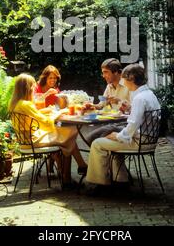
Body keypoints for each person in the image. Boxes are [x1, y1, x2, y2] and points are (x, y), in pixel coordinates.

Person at [85, 64, 160, 194]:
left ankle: (100, 184)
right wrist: (130, 109)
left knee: (98, 144)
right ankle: (121, 181)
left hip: (139, 142)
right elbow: (141, 118)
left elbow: (131, 126)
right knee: (111, 142)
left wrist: (117, 136)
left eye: (124, 79)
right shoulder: (149, 94)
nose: (123, 82)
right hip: (148, 140)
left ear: (131, 79)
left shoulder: (139, 98)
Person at [9, 73, 87, 188]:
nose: (34, 90)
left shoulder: (16, 103)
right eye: (33, 87)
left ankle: (73, 172)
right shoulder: (25, 104)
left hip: (25, 141)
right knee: (69, 135)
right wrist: (60, 112)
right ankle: (69, 178)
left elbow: (34, 115)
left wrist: (48, 111)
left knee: (67, 137)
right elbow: (45, 122)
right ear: (28, 88)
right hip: (33, 141)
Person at [85, 58, 131, 145]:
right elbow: (101, 104)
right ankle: (110, 156)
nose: (103, 75)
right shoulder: (109, 86)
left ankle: (113, 156)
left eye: (106, 72)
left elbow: (136, 107)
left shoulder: (128, 84)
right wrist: (91, 106)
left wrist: (119, 101)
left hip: (127, 124)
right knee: (89, 138)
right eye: (103, 72)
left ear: (116, 72)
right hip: (113, 123)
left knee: (99, 138)